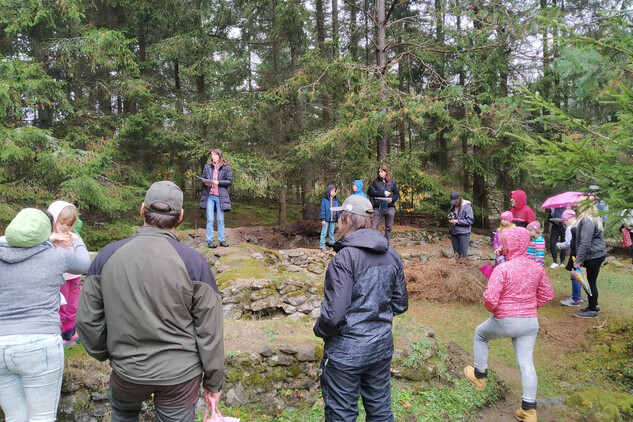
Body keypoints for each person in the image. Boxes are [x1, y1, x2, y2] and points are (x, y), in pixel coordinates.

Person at [77, 181, 224, 421]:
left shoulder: (107, 255)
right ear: (181, 217)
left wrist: (108, 353)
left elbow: (87, 320)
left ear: (142, 209)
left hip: (127, 371)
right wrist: (213, 382)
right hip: (180, 376)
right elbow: (210, 331)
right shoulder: (193, 263)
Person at [313, 195, 408, 422]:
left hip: (346, 354)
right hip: (380, 349)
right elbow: (400, 304)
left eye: (340, 219)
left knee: (342, 416)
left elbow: (334, 314)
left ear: (346, 219)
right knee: (381, 412)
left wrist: (320, 330)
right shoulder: (392, 255)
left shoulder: (344, 258)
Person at [0, 208, 91, 421]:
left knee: (15, 416)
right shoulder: (55, 256)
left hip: (1, 341)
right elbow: (85, 264)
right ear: (45, 232)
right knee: (42, 418)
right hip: (40, 342)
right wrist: (75, 239)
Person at [464, 226, 553, 422]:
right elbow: (548, 294)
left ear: (509, 245)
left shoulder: (502, 268)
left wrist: (496, 309)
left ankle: (479, 376)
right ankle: (529, 411)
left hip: (506, 320)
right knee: (526, 363)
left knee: (480, 333)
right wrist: (529, 307)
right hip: (530, 322)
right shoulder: (537, 268)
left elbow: (490, 298)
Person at [47, 200, 84, 348]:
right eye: (62, 223)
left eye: (69, 225)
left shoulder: (72, 236)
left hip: (74, 276)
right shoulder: (47, 235)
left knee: (73, 305)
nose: (65, 227)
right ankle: (59, 333)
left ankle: (69, 331)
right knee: (61, 305)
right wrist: (53, 239)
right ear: (54, 219)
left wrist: (75, 240)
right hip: (60, 277)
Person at [572, 200, 607, 318]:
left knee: (590, 282)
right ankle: (594, 305)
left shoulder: (587, 220)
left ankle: (592, 309)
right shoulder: (592, 218)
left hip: (594, 254)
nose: (576, 205)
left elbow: (585, 242)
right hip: (597, 253)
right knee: (590, 280)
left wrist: (578, 260)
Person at [200, 148, 232, 248]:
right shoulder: (207, 166)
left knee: (220, 219)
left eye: (214, 154)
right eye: (211, 154)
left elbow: (229, 181)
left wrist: (218, 182)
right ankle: (209, 240)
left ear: (219, 155)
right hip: (209, 196)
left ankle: (221, 240)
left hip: (220, 197)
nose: (212, 156)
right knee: (210, 219)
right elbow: (203, 178)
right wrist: (205, 182)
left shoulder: (226, 168)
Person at [557, 210, 585, 307]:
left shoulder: (570, 228)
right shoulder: (580, 225)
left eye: (564, 220)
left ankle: (575, 299)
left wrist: (559, 245)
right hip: (581, 253)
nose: (564, 223)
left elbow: (568, 243)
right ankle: (577, 296)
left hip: (574, 254)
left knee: (575, 275)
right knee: (579, 274)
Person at [367, 164, 400, 241]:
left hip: (390, 207)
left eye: (381, 171)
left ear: (386, 172)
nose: (379, 173)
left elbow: (397, 194)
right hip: (378, 208)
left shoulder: (392, 182)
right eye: (379, 171)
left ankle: (386, 243)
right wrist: (381, 193)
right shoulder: (375, 182)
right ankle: (372, 242)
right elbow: (370, 192)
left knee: (388, 228)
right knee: (373, 226)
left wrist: (392, 199)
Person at [448, 191, 474, 258]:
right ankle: (457, 267)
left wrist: (458, 221)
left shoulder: (467, 207)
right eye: (453, 202)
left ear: (459, 199)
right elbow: (453, 215)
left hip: (464, 233)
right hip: (454, 232)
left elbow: (470, 221)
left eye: (455, 201)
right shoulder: (452, 207)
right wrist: (450, 217)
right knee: (456, 254)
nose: (454, 203)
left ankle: (463, 267)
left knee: (463, 255)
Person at [320, 184, 339, 253]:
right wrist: (323, 219)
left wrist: (338, 218)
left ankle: (332, 245)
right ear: (329, 191)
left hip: (333, 219)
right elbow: (322, 209)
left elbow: (337, 210)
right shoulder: (325, 200)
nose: (333, 192)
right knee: (324, 233)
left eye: (334, 190)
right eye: (332, 190)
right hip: (326, 219)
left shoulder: (336, 199)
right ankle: (322, 245)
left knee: (331, 233)